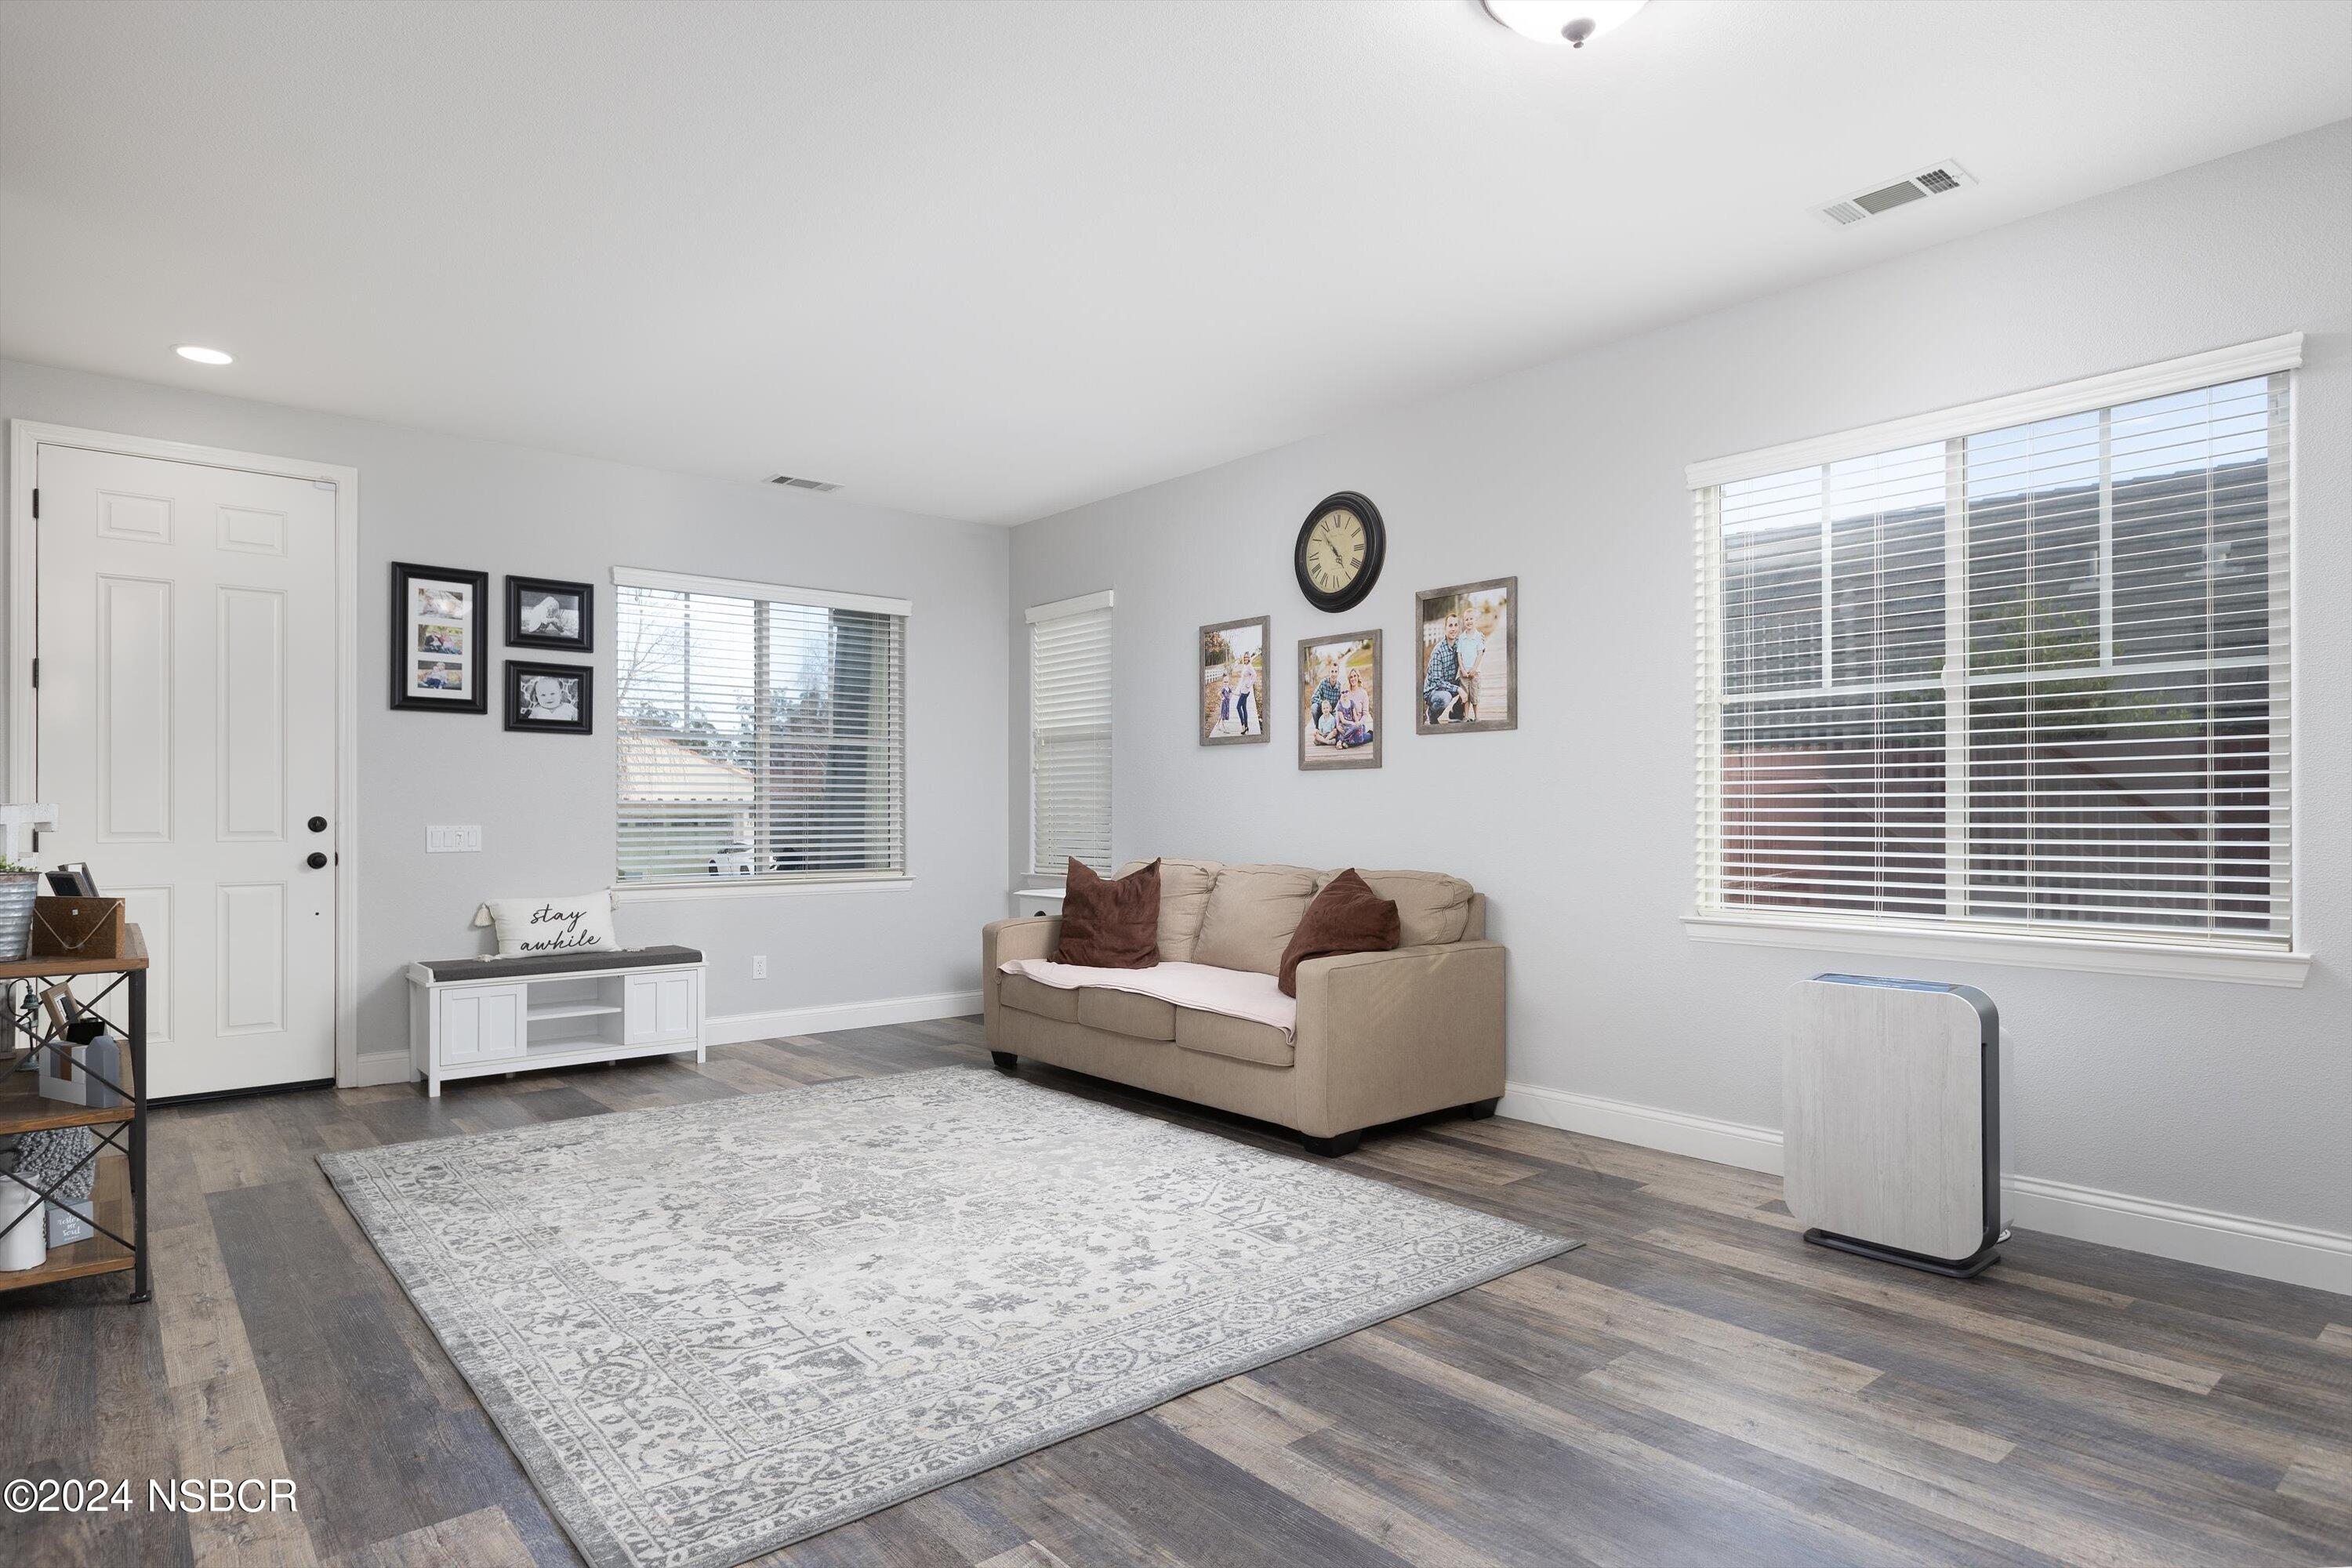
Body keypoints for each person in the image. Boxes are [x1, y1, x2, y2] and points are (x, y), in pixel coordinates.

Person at [1422, 613, 1466, 724]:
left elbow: (1471, 645)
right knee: (1446, 697)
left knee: (1469, 682)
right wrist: (1458, 689)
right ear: (1445, 628)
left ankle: (1456, 713)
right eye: (1450, 625)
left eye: (1456, 625)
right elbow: (1438, 682)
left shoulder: (1459, 644)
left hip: (1448, 685)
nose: (1453, 629)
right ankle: (1431, 714)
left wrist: (1478, 640)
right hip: (1434, 690)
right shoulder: (1438, 651)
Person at [1454, 604, 1487, 721]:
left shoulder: (1478, 636)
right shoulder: (1461, 638)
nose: (1469, 621)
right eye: (1466, 619)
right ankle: (1466, 716)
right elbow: (1459, 654)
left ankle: (1477, 716)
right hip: (1464, 673)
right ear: (1464, 622)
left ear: (1475, 620)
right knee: (1466, 696)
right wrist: (1462, 669)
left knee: (1475, 695)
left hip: (1475, 672)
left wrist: (1474, 669)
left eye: (1471, 619)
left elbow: (1480, 653)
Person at [1335, 668, 1374, 748]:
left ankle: (1370, 736)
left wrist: (1359, 723)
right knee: (1339, 734)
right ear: (1349, 679)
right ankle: (1348, 741)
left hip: (1358, 724)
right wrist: (1338, 725)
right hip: (1346, 724)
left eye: (1355, 676)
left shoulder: (1363, 693)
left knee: (1358, 738)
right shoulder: (1346, 692)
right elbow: (1338, 710)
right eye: (1351, 677)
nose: (1353, 679)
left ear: (1358, 677)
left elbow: (1365, 714)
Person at [1308, 656, 1344, 743]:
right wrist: (1324, 704)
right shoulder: (1323, 683)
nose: (1334, 674)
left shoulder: (1339, 687)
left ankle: (1324, 740)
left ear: (1338, 673)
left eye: (1336, 672)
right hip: (1322, 710)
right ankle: (1319, 730)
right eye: (1332, 671)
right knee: (1314, 707)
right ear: (1329, 672)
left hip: (1332, 713)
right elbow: (1314, 697)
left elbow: (1342, 703)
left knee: (1336, 730)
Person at [1235, 652, 1259, 735]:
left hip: (1246, 691)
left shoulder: (1249, 666)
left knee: (1238, 707)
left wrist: (1249, 685)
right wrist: (1239, 690)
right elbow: (1242, 680)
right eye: (1245, 657)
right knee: (1244, 708)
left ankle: (1243, 725)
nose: (1245, 658)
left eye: (1247, 657)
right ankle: (1246, 727)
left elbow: (1255, 675)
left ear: (1249, 658)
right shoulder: (1245, 666)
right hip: (1243, 690)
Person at [1214, 670, 1234, 735]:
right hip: (1224, 703)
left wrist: (1239, 694)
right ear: (1223, 682)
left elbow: (1233, 692)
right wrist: (1222, 698)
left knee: (1221, 715)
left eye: (1227, 682)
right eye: (1225, 682)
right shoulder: (1223, 689)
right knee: (1223, 715)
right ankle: (1224, 729)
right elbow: (1218, 693)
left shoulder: (1229, 688)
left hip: (1227, 704)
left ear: (1228, 682)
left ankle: (1217, 725)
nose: (1226, 683)